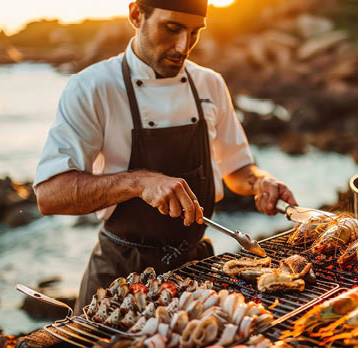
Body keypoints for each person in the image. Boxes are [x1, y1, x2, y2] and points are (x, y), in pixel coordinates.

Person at [33, 0, 297, 314]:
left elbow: (237, 168)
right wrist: (139, 183)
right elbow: (50, 195)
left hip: (194, 272)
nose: (183, 46)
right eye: (171, 28)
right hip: (118, 276)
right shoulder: (92, 87)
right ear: (135, 15)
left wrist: (260, 182)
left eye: (194, 33)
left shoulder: (210, 84)